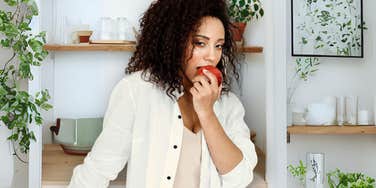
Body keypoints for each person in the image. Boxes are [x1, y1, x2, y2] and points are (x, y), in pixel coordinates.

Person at [68, 0, 257, 187]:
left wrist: (207, 113)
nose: (212, 56)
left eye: (218, 45)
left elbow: (240, 177)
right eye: (200, 43)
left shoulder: (228, 104)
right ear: (174, 40)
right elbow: (97, 172)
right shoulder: (135, 92)